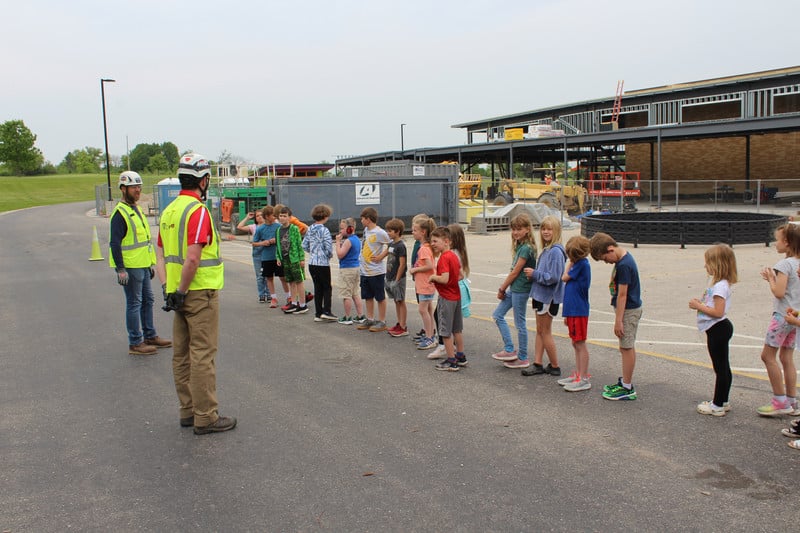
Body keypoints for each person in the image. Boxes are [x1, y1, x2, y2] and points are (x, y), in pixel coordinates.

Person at [155, 153, 236, 435]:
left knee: (181, 354)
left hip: (177, 294)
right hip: (199, 293)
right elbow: (192, 258)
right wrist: (182, 289)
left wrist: (169, 290)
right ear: (203, 180)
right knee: (202, 354)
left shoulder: (169, 211)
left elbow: (161, 254)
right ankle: (206, 416)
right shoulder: (197, 211)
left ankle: (187, 411)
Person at [109, 170, 171, 355]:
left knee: (148, 299)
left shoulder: (135, 209)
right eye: (134, 187)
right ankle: (135, 342)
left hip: (143, 265)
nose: (137, 190)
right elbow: (115, 243)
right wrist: (120, 269)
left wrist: (150, 264)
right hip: (131, 266)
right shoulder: (120, 213)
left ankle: (150, 335)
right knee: (134, 303)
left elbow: (143, 240)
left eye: (138, 186)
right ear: (123, 188)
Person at [589, 231, 643, 401]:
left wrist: (618, 321)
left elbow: (622, 295)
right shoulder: (623, 260)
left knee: (627, 347)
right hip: (625, 310)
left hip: (628, 311)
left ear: (610, 249)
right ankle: (624, 381)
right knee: (624, 346)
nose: (606, 262)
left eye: (605, 259)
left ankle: (627, 387)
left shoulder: (624, 265)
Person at [755, 224, 800, 416]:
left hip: (782, 316)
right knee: (786, 357)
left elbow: (779, 292)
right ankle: (792, 400)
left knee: (768, 356)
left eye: (778, 240)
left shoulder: (785, 265)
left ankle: (780, 400)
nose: (775, 243)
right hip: (795, 317)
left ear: (787, 243)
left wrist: (771, 279)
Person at [688, 243, 738, 416]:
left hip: (718, 328)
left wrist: (698, 306)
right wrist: (701, 304)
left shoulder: (720, 287)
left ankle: (717, 405)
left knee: (720, 368)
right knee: (723, 367)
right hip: (716, 328)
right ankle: (723, 400)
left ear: (717, 264)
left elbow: (718, 312)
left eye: (708, 262)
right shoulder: (718, 284)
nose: (705, 266)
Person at [490, 214, 536, 369]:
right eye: (514, 229)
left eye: (519, 229)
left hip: (520, 290)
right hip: (515, 289)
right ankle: (510, 349)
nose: (515, 232)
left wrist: (502, 288)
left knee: (520, 323)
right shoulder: (520, 246)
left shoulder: (526, 248)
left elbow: (515, 272)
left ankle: (523, 357)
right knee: (497, 315)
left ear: (527, 229)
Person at [522, 215, 566, 376]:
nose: (546, 232)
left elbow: (553, 277)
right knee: (540, 330)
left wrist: (535, 274)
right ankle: (538, 362)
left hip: (548, 297)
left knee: (545, 331)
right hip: (541, 295)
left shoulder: (555, 252)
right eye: (543, 229)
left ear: (556, 231)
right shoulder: (548, 249)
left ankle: (555, 365)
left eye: (549, 229)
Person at [429, 223, 471, 359]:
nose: (432, 244)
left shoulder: (444, 258)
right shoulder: (454, 256)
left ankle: (451, 359)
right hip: (456, 296)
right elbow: (460, 275)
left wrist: (434, 277)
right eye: (431, 241)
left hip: (446, 297)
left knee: (445, 332)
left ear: (446, 241)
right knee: (457, 330)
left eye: (435, 241)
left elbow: (445, 279)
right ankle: (460, 355)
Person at [559, 235, 593, 392]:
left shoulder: (581, 264)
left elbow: (564, 277)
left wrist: (569, 264)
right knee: (575, 342)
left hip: (578, 310)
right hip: (572, 309)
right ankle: (578, 374)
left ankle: (584, 378)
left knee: (580, 343)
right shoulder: (579, 264)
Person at [356, 207, 391, 332]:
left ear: (368, 219)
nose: (361, 221)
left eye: (363, 218)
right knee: (367, 296)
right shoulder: (366, 230)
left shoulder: (379, 232)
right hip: (365, 270)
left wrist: (382, 255)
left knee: (380, 296)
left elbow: (392, 244)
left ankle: (382, 321)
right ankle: (370, 318)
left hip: (376, 271)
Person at [302, 204, 336, 321]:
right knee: (327, 287)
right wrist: (329, 255)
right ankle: (327, 310)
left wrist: (312, 252)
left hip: (312, 262)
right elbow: (328, 246)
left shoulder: (310, 228)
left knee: (318, 287)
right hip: (322, 263)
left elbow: (304, 245)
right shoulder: (324, 230)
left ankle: (318, 313)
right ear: (325, 216)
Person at [407, 216, 436, 348]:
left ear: (423, 232)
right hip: (425, 283)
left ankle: (430, 337)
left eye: (415, 230)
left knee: (422, 309)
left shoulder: (424, 248)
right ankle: (430, 334)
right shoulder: (426, 247)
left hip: (425, 284)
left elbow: (430, 266)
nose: (413, 232)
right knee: (428, 309)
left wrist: (415, 269)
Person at [276, 205, 308, 314]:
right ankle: (293, 303)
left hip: (294, 259)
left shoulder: (294, 229)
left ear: (289, 217)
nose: (282, 218)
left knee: (299, 281)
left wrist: (301, 258)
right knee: (291, 281)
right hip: (285, 259)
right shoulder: (278, 230)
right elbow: (278, 245)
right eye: (280, 216)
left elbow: (299, 244)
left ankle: (303, 304)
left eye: (284, 216)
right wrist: (278, 257)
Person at [254, 206, 287, 308]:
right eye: (273, 215)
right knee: (269, 278)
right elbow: (254, 243)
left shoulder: (278, 226)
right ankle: (273, 298)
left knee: (283, 277)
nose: (275, 216)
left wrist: (276, 240)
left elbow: (285, 239)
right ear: (267, 216)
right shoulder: (260, 229)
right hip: (266, 257)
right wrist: (263, 242)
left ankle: (289, 296)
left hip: (278, 256)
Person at [335, 217, 365, 325]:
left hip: (347, 269)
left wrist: (338, 242)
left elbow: (340, 254)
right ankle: (360, 315)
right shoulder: (357, 239)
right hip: (355, 268)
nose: (340, 231)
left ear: (349, 228)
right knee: (355, 293)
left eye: (342, 228)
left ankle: (347, 317)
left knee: (346, 294)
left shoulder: (349, 241)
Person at [238, 209, 269, 303]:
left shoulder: (269, 226)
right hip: (257, 253)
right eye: (257, 216)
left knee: (268, 275)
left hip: (267, 252)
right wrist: (247, 218)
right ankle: (262, 295)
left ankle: (269, 294)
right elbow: (239, 227)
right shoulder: (253, 227)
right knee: (260, 275)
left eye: (261, 215)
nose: (259, 217)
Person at [384, 218, 408, 337]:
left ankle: (403, 327)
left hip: (398, 278)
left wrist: (397, 280)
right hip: (390, 276)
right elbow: (386, 254)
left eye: (390, 231)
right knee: (396, 301)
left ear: (398, 231)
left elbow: (402, 264)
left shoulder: (401, 246)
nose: (388, 233)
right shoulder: (391, 244)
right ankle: (399, 323)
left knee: (401, 301)